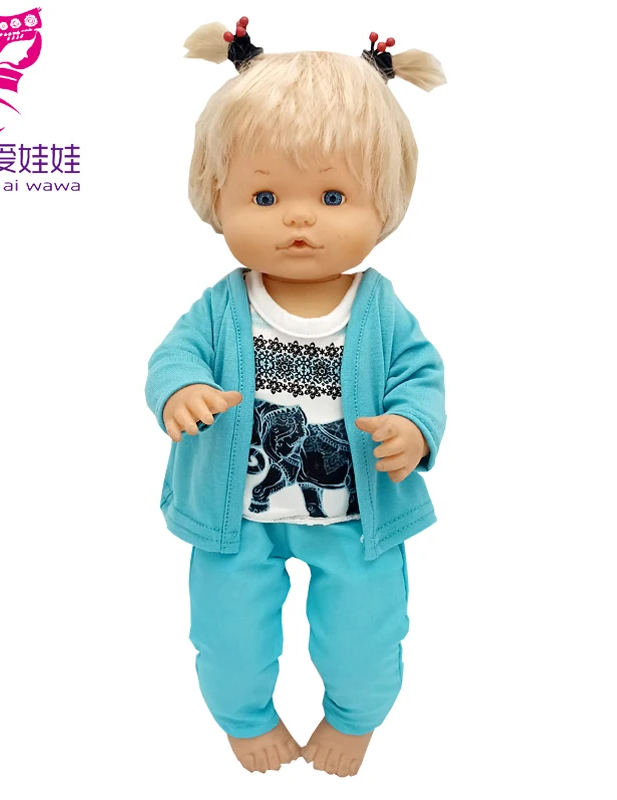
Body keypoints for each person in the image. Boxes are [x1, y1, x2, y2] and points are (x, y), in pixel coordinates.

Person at [145, 17, 447, 777]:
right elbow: (173, 356)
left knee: (367, 635)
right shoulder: (222, 305)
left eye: (334, 195)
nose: (300, 217)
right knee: (227, 637)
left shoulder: (379, 308)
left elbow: (421, 375)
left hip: (355, 516)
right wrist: (181, 390)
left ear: (385, 202)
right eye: (266, 194)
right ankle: (245, 720)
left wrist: (412, 428)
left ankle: (354, 719)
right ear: (216, 196)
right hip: (234, 518)